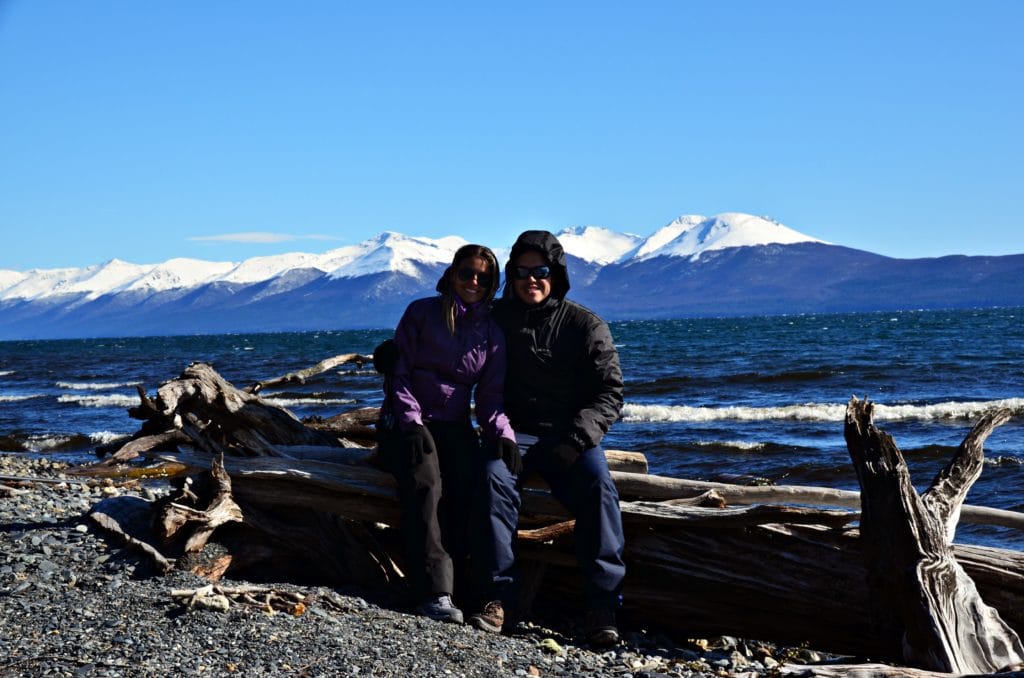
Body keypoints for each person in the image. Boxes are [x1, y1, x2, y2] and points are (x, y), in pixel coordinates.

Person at [469, 230, 626, 646]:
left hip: (568, 435)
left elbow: (609, 393)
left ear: (555, 273)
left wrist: (575, 440)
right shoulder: (495, 318)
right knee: (491, 480)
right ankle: (497, 597)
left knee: (599, 489)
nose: (530, 279)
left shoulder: (584, 324)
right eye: (521, 272)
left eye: (540, 271)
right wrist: (399, 354)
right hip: (511, 431)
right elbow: (450, 338)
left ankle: (602, 607)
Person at [376, 244, 516, 624]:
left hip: (453, 426)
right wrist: (411, 421)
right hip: (404, 423)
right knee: (428, 482)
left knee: (469, 483)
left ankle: (470, 591)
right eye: (467, 273)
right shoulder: (421, 313)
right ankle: (434, 592)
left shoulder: (491, 334)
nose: (474, 281)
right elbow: (399, 374)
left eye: (483, 277)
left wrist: (503, 436)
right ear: (452, 274)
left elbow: (489, 397)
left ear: (492, 284)